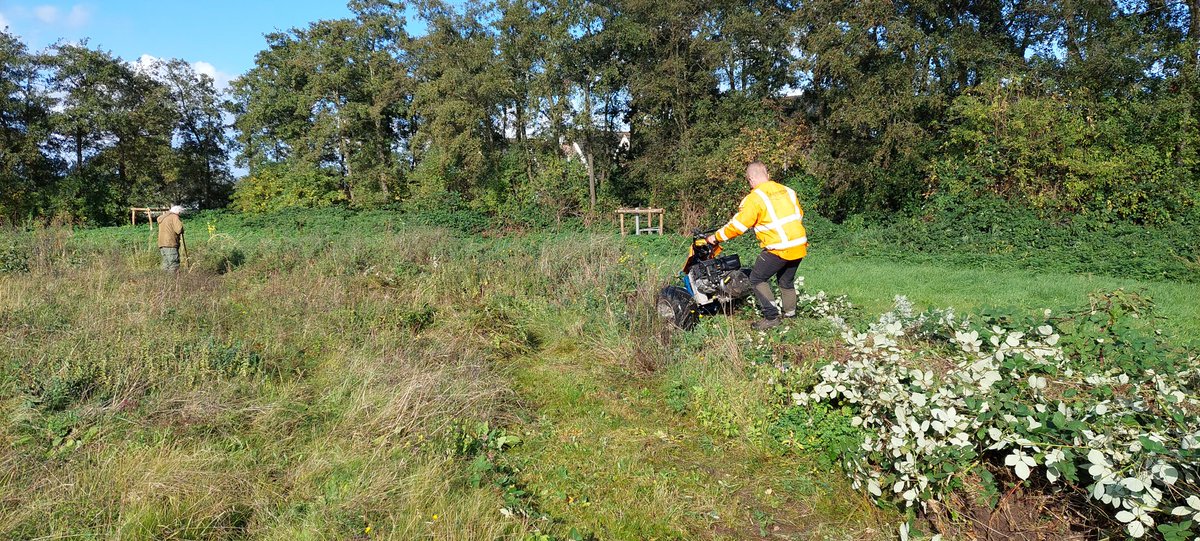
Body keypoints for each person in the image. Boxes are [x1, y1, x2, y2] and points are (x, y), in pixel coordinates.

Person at [706, 161, 807, 330]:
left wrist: (715, 238)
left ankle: (771, 317)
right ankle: (790, 316)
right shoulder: (788, 191)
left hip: (779, 247)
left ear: (751, 179)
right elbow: (798, 215)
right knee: (785, 281)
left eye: (749, 182)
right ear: (767, 174)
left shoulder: (754, 198)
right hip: (799, 244)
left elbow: (738, 226)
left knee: (757, 278)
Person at [157, 205, 185, 272]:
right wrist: (182, 228)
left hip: (162, 243)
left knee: (166, 263)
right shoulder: (174, 217)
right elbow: (179, 230)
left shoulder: (163, 217)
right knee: (173, 264)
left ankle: (164, 280)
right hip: (170, 243)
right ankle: (173, 281)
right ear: (178, 212)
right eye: (180, 213)